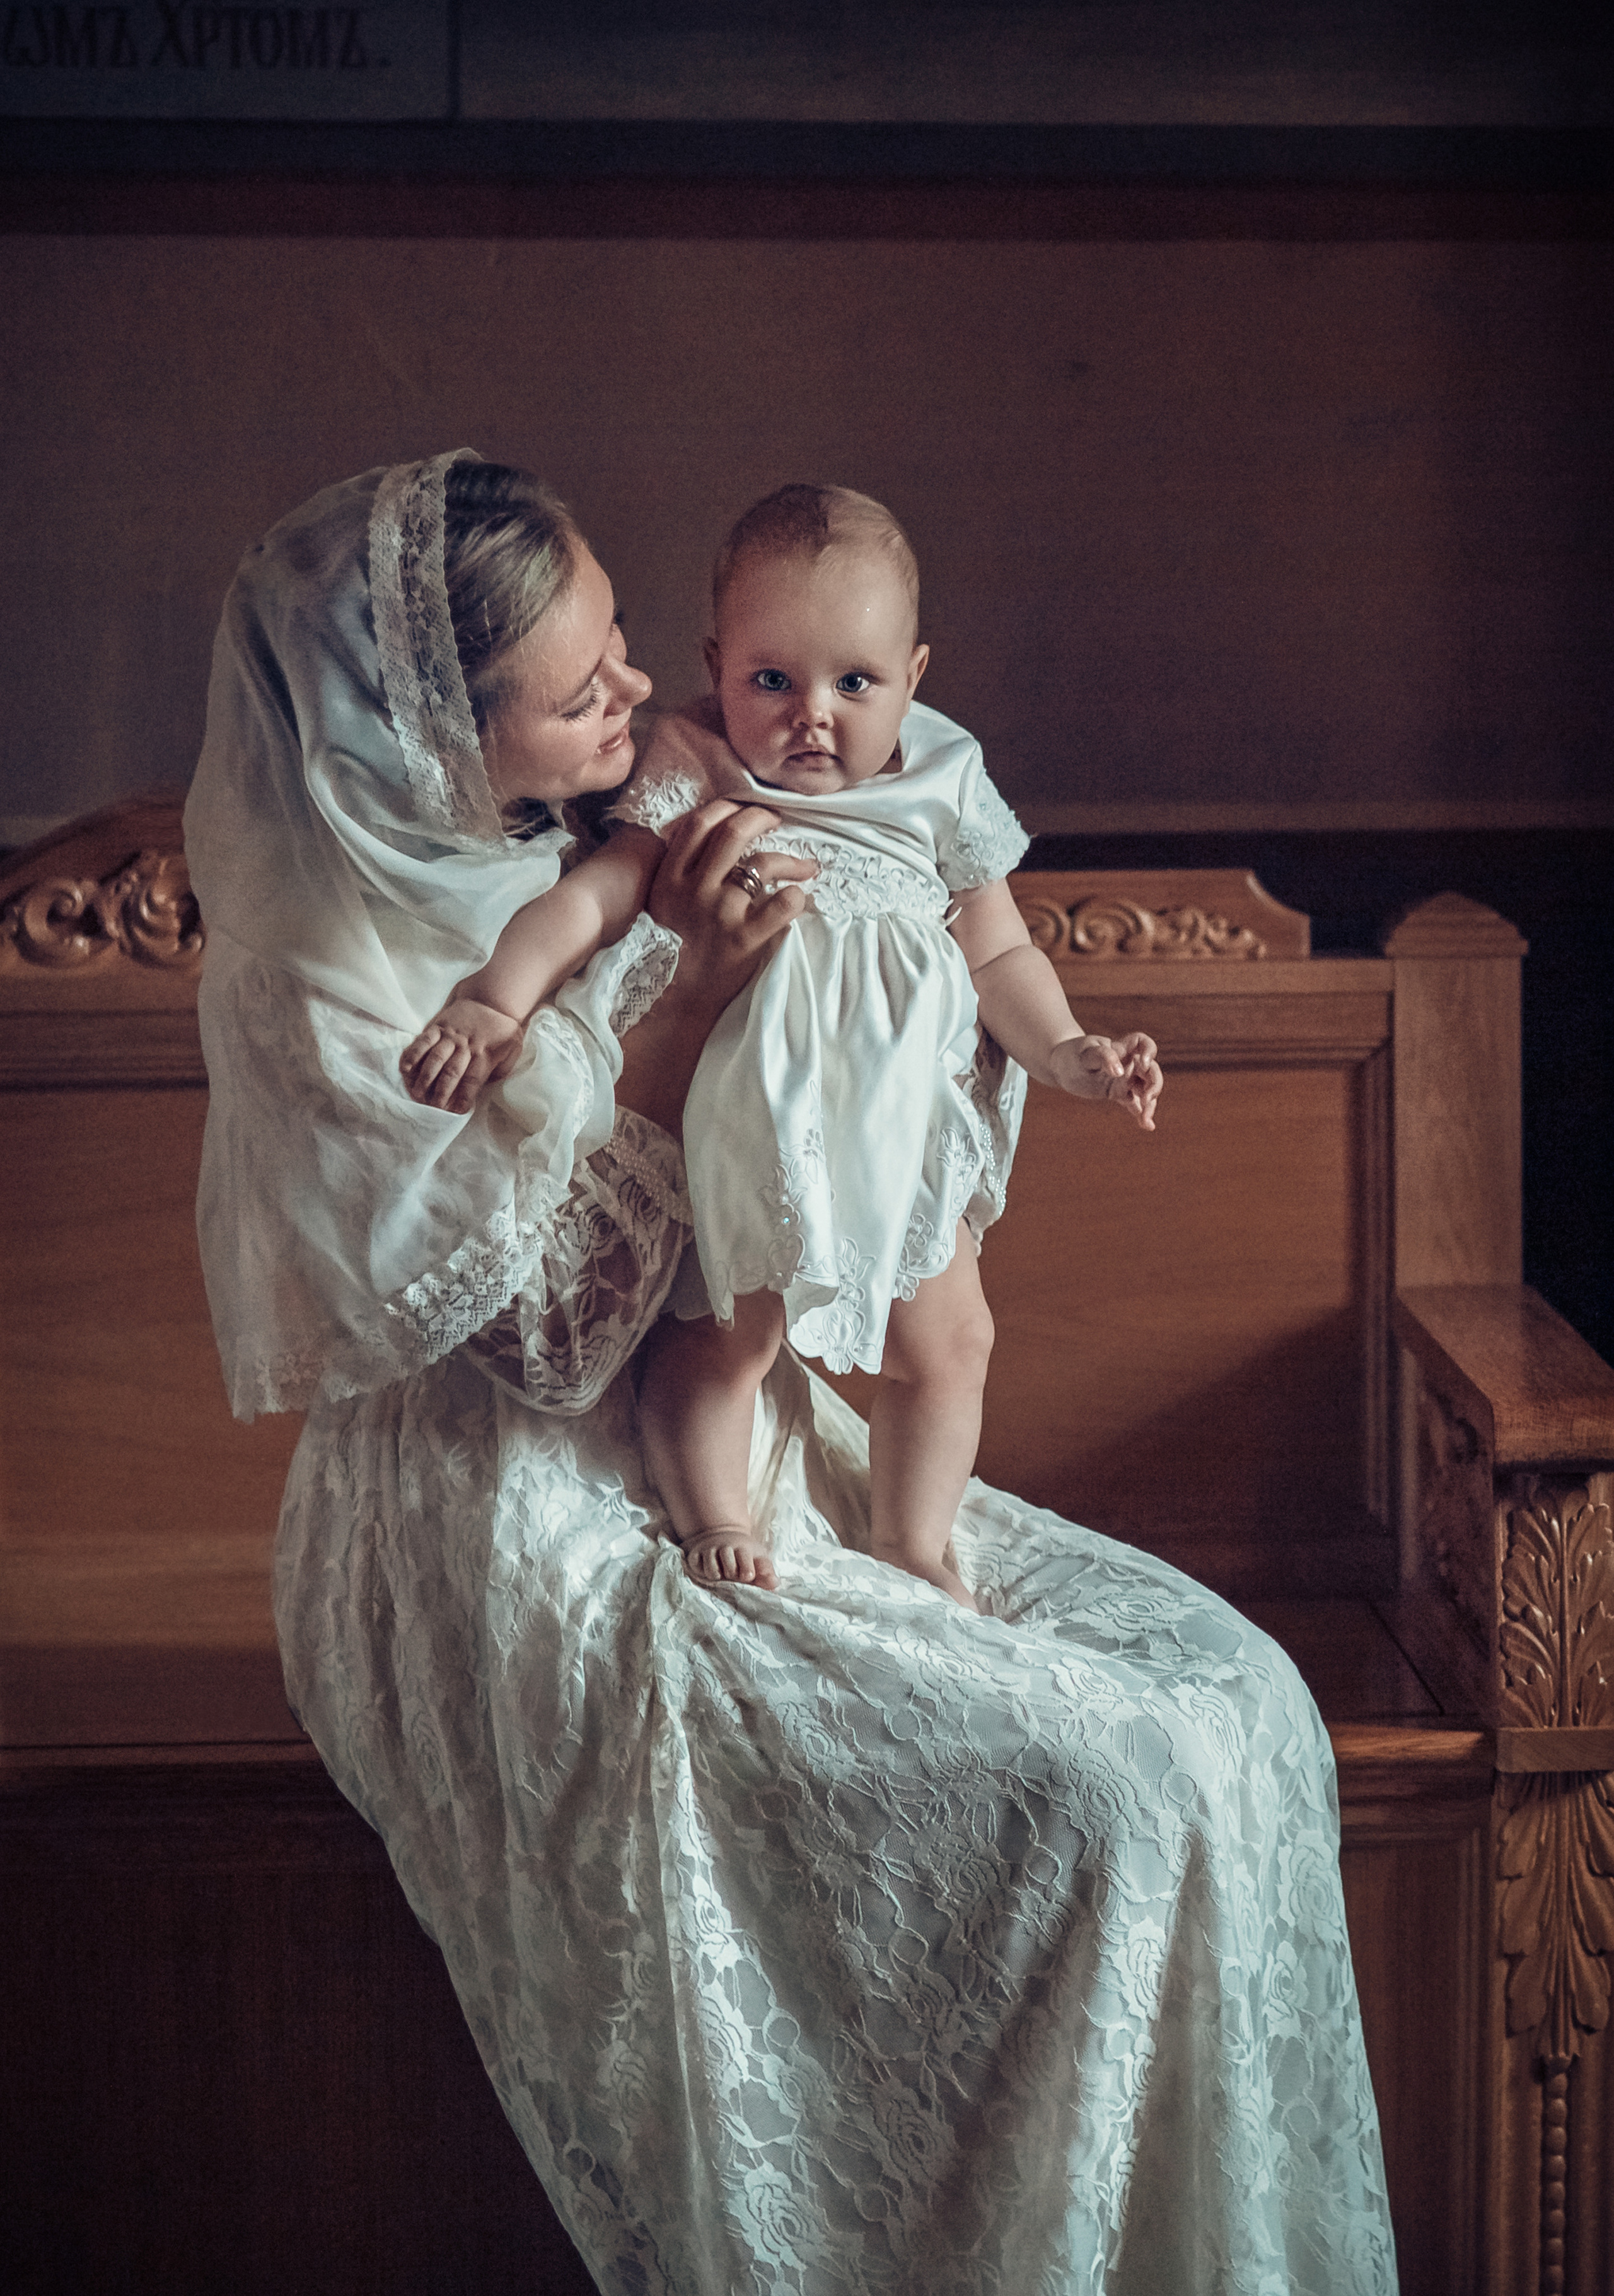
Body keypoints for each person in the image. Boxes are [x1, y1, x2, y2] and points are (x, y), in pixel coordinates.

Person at [185, 447, 1397, 2295]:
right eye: (582, 686)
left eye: (621, 656)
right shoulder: (336, 969)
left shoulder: (623, 801)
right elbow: (536, 1339)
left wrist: (967, 1035)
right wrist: (684, 1011)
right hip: (505, 1506)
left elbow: (919, 980)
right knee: (1099, 1783)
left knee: (1225, 1705)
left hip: (737, 1381)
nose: (635, 700)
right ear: (435, 720)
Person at [400, 485, 1163, 1607]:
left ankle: (912, 1537)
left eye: (856, 682)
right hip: (748, 1120)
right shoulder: (699, 765)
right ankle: (715, 1512)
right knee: (725, 1335)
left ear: (915, 672)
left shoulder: (946, 779)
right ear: (717, 666)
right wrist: (493, 997)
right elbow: (591, 904)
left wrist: (1067, 1052)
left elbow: (1002, 956)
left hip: (901, 1128)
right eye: (773, 680)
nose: (813, 714)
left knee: (953, 1340)